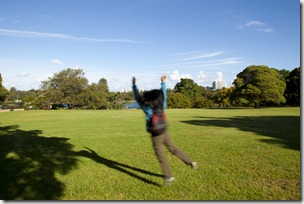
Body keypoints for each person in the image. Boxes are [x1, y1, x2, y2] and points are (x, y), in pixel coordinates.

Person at [132, 75, 197, 186]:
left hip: (156, 133)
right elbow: (164, 94)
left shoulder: (147, 107)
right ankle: (190, 161)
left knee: (160, 154)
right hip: (164, 130)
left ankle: (168, 177)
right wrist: (163, 82)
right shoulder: (162, 105)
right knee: (173, 148)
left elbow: (138, 97)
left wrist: (134, 85)